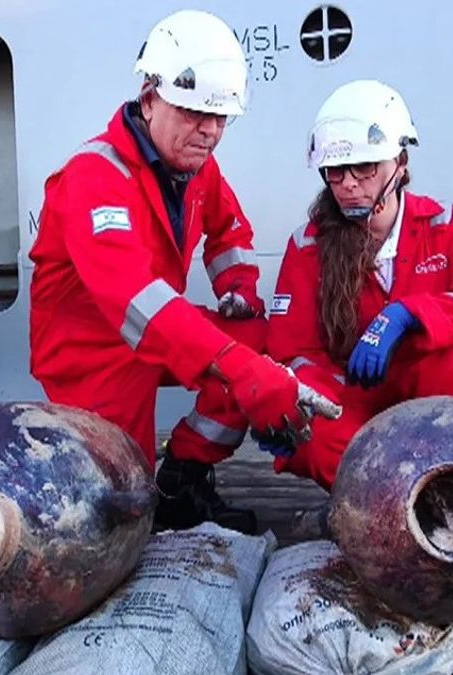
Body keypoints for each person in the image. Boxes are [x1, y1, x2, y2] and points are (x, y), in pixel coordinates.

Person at [28, 9, 337, 535]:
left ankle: (183, 477)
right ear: (150, 98)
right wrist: (241, 370)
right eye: (195, 113)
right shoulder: (91, 179)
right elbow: (135, 302)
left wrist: (238, 289)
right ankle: (145, 493)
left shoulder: (196, 167)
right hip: (93, 354)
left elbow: (229, 230)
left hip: (158, 330)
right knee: (119, 504)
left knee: (258, 338)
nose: (211, 131)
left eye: (221, 119)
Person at [263, 80, 453, 492]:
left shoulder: (446, 226)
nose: (349, 182)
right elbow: (291, 351)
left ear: (400, 163)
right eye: (335, 171)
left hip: (429, 392)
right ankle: (406, 502)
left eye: (365, 167)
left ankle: (448, 483)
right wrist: (308, 398)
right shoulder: (307, 245)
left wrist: (409, 315)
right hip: (352, 399)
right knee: (311, 429)